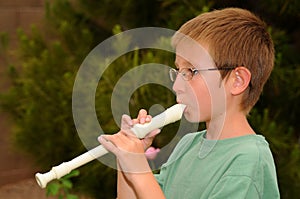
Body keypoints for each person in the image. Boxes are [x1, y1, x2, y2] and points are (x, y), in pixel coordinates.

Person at [98, 7, 280, 198]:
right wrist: (128, 157)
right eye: (178, 71)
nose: (177, 85)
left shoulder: (248, 160)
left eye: (191, 71)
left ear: (238, 81)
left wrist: (140, 172)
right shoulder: (188, 145)